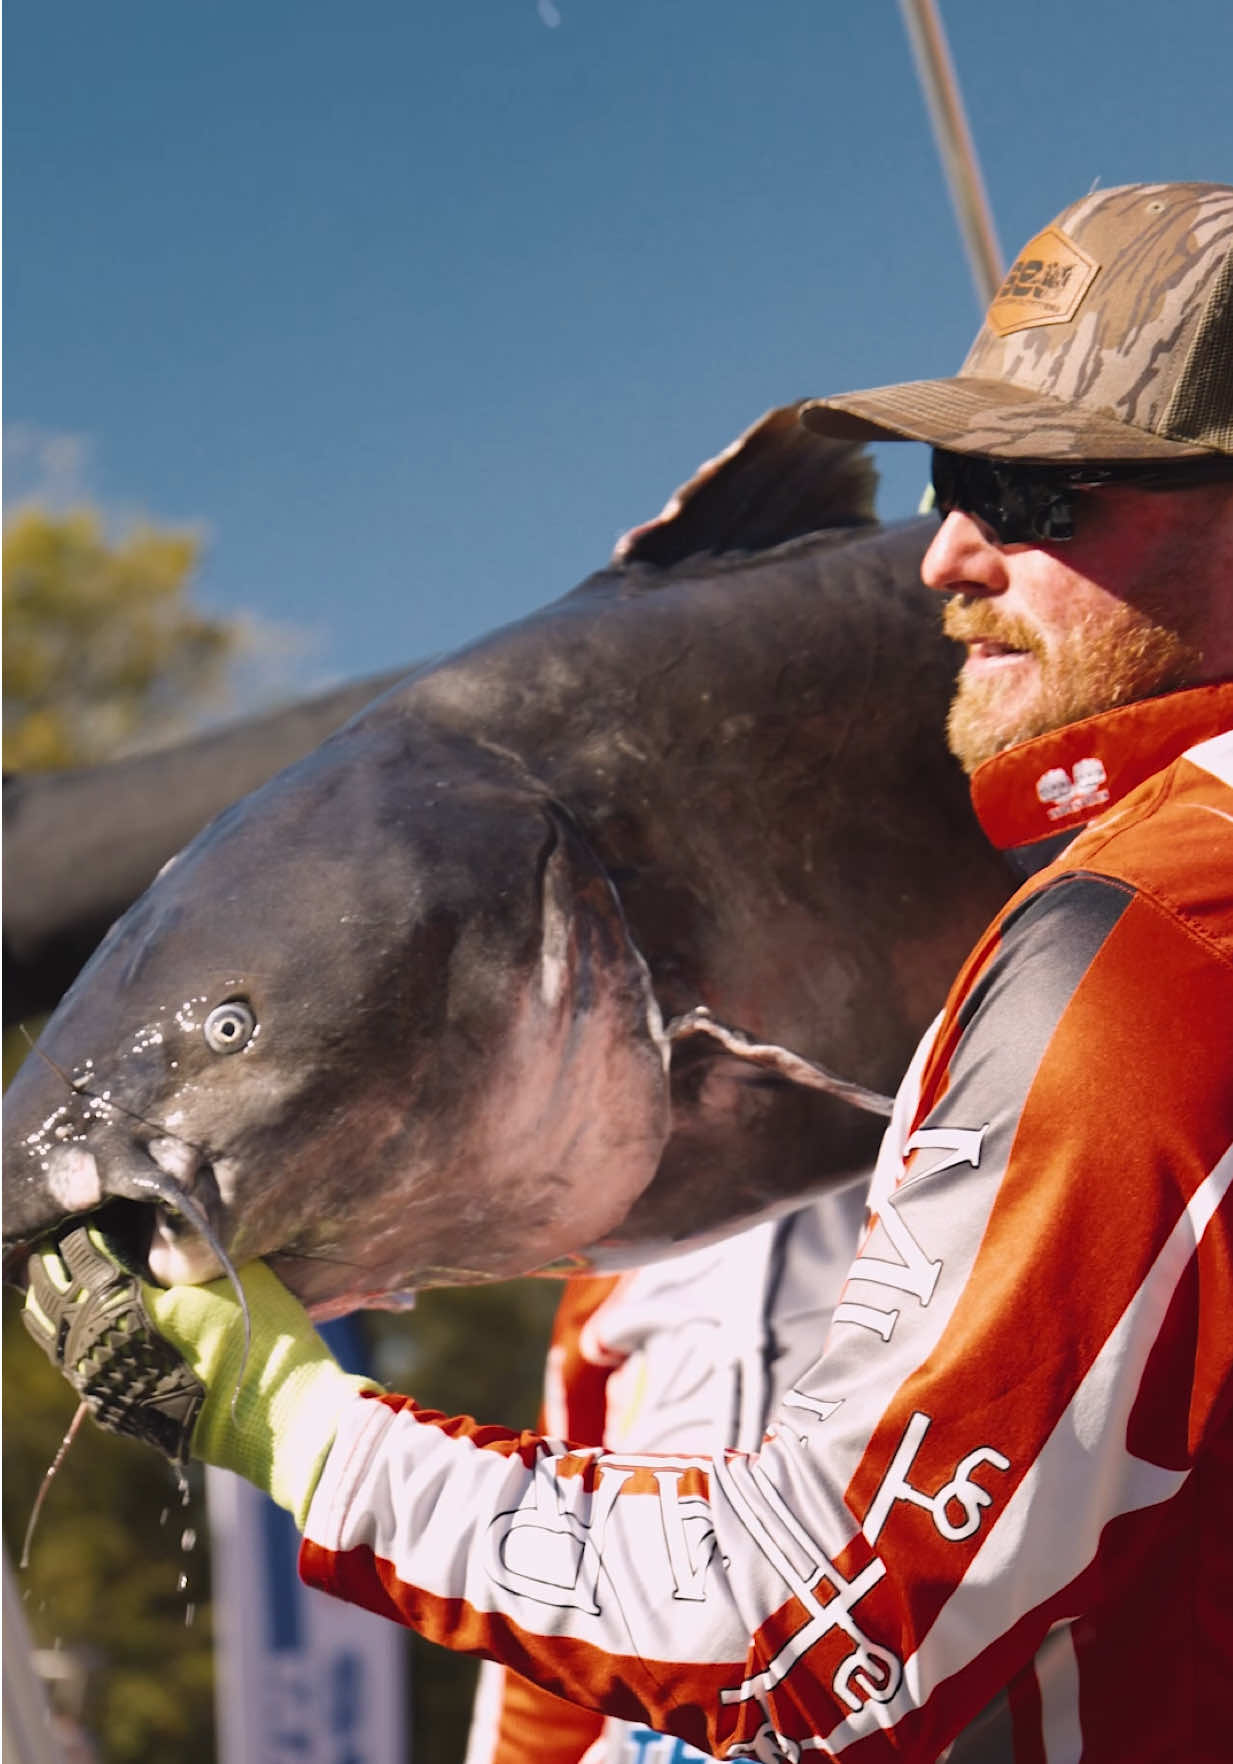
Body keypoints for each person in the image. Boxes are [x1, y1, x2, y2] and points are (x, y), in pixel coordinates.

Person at [25, 180, 1233, 1761]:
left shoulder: (1151, 947)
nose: (944, 552)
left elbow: (809, 1629)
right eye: (954, 480)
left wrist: (295, 1427)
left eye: (1038, 492)